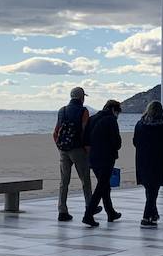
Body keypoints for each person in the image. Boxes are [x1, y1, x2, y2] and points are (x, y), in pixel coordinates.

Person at [133, 100, 163, 227]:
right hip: (157, 161)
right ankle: (146, 217)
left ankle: (154, 214)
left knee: (149, 189)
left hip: (142, 161)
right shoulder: (162, 126)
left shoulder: (139, 124)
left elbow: (135, 142)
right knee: (153, 190)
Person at [81, 99, 123, 227]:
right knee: (101, 186)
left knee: (104, 185)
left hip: (93, 158)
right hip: (106, 158)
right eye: (118, 113)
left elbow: (85, 139)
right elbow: (116, 142)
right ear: (114, 110)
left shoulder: (93, 118)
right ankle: (88, 214)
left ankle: (110, 212)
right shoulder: (111, 120)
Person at [53, 86, 91, 223]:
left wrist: (60, 147)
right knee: (85, 180)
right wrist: (87, 149)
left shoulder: (62, 110)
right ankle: (89, 207)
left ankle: (62, 210)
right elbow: (85, 132)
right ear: (81, 97)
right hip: (78, 149)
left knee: (64, 181)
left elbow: (55, 132)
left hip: (64, 149)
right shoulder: (83, 111)